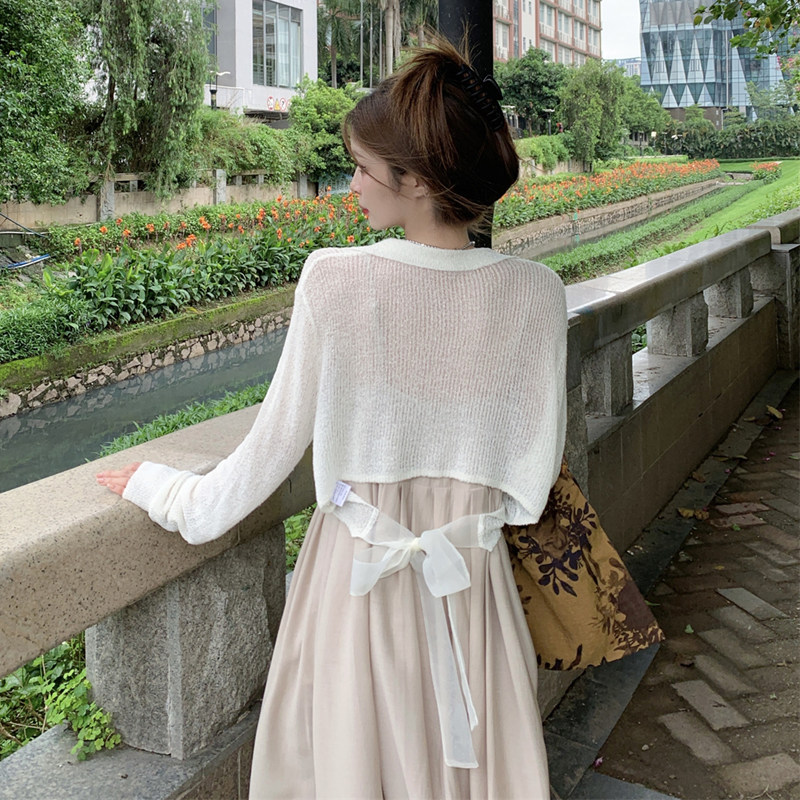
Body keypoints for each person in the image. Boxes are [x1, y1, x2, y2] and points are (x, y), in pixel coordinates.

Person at [97, 38, 566, 799]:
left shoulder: (336, 279)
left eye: (363, 168)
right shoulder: (537, 294)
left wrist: (164, 489)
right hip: (471, 593)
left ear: (416, 180)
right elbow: (528, 490)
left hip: (357, 588)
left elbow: (268, 451)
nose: (350, 185)